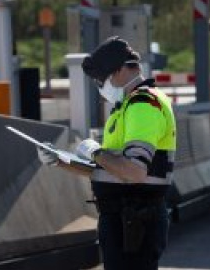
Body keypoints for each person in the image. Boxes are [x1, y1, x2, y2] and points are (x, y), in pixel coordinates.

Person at [37, 36, 176, 270]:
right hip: (125, 220)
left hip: (135, 221)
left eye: (102, 78)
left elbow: (134, 171)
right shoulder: (126, 107)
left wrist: (96, 152)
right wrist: (60, 161)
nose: (100, 85)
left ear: (121, 70)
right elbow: (110, 169)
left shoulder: (143, 105)